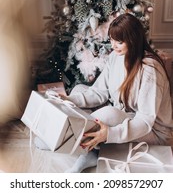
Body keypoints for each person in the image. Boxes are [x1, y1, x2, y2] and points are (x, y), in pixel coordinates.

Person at [35, 13, 173, 172]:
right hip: (126, 113)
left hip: (152, 131)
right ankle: (75, 142)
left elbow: (145, 120)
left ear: (133, 40)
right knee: (79, 89)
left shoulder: (149, 71)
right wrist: (68, 99)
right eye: (112, 40)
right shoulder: (116, 56)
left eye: (119, 42)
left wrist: (111, 133)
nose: (113, 45)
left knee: (109, 114)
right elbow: (100, 91)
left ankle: (74, 145)